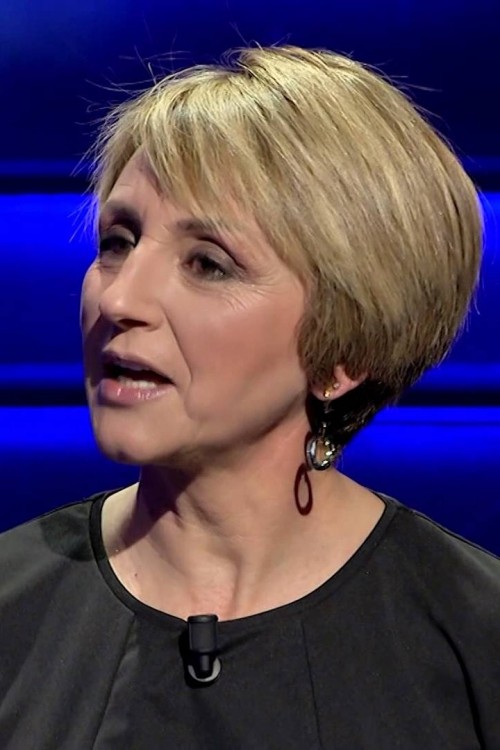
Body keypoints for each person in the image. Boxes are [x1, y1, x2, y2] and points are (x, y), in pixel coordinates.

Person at [0, 44, 498, 749]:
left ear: (343, 354)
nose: (118, 299)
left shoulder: (473, 637)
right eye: (118, 241)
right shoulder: (12, 607)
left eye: (208, 264)